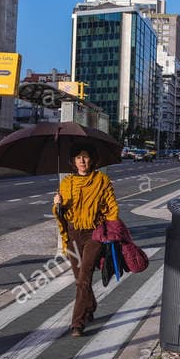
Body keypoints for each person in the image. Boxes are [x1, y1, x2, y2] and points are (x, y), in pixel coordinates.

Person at [52, 144, 119, 337]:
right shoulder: (67, 183)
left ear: (92, 159)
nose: (82, 161)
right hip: (73, 233)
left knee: (84, 278)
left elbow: (112, 208)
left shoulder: (102, 180)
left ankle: (77, 324)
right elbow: (60, 213)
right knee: (79, 279)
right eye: (78, 158)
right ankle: (90, 305)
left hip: (94, 233)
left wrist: (112, 229)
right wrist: (58, 204)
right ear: (73, 161)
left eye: (85, 157)